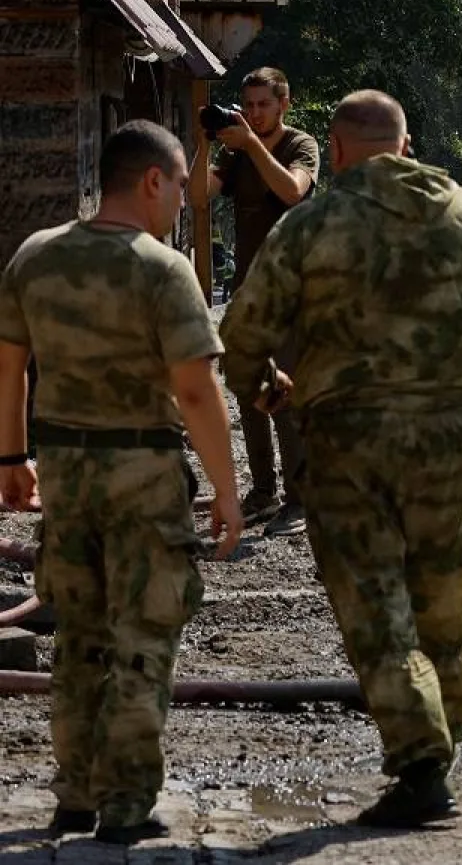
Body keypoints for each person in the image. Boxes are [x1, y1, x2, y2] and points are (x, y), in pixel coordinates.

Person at [218, 90, 462, 828]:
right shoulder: (459, 207)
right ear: (406, 142)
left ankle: (422, 767)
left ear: (342, 147)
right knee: (442, 603)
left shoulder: (309, 223)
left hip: (347, 432)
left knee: (373, 603)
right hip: (452, 428)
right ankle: (438, 750)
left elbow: (242, 332)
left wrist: (265, 390)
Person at [0, 121, 242, 845]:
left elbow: (8, 366)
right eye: (177, 186)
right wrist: (228, 490)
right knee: (143, 634)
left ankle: (73, 792)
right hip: (143, 472)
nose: (180, 202)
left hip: (66, 473)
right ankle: (128, 802)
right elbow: (196, 390)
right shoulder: (162, 268)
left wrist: (11, 461)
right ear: (151, 181)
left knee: (78, 633)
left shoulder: (34, 257)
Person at [207, 67, 320, 537]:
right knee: (250, 394)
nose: (253, 114)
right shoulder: (235, 154)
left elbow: (293, 192)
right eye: (248, 105)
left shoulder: (300, 146)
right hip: (248, 293)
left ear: (283, 104)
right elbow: (196, 196)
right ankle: (264, 490)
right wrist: (205, 144)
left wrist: (251, 145)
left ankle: (300, 500)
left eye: (263, 105)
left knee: (286, 396)